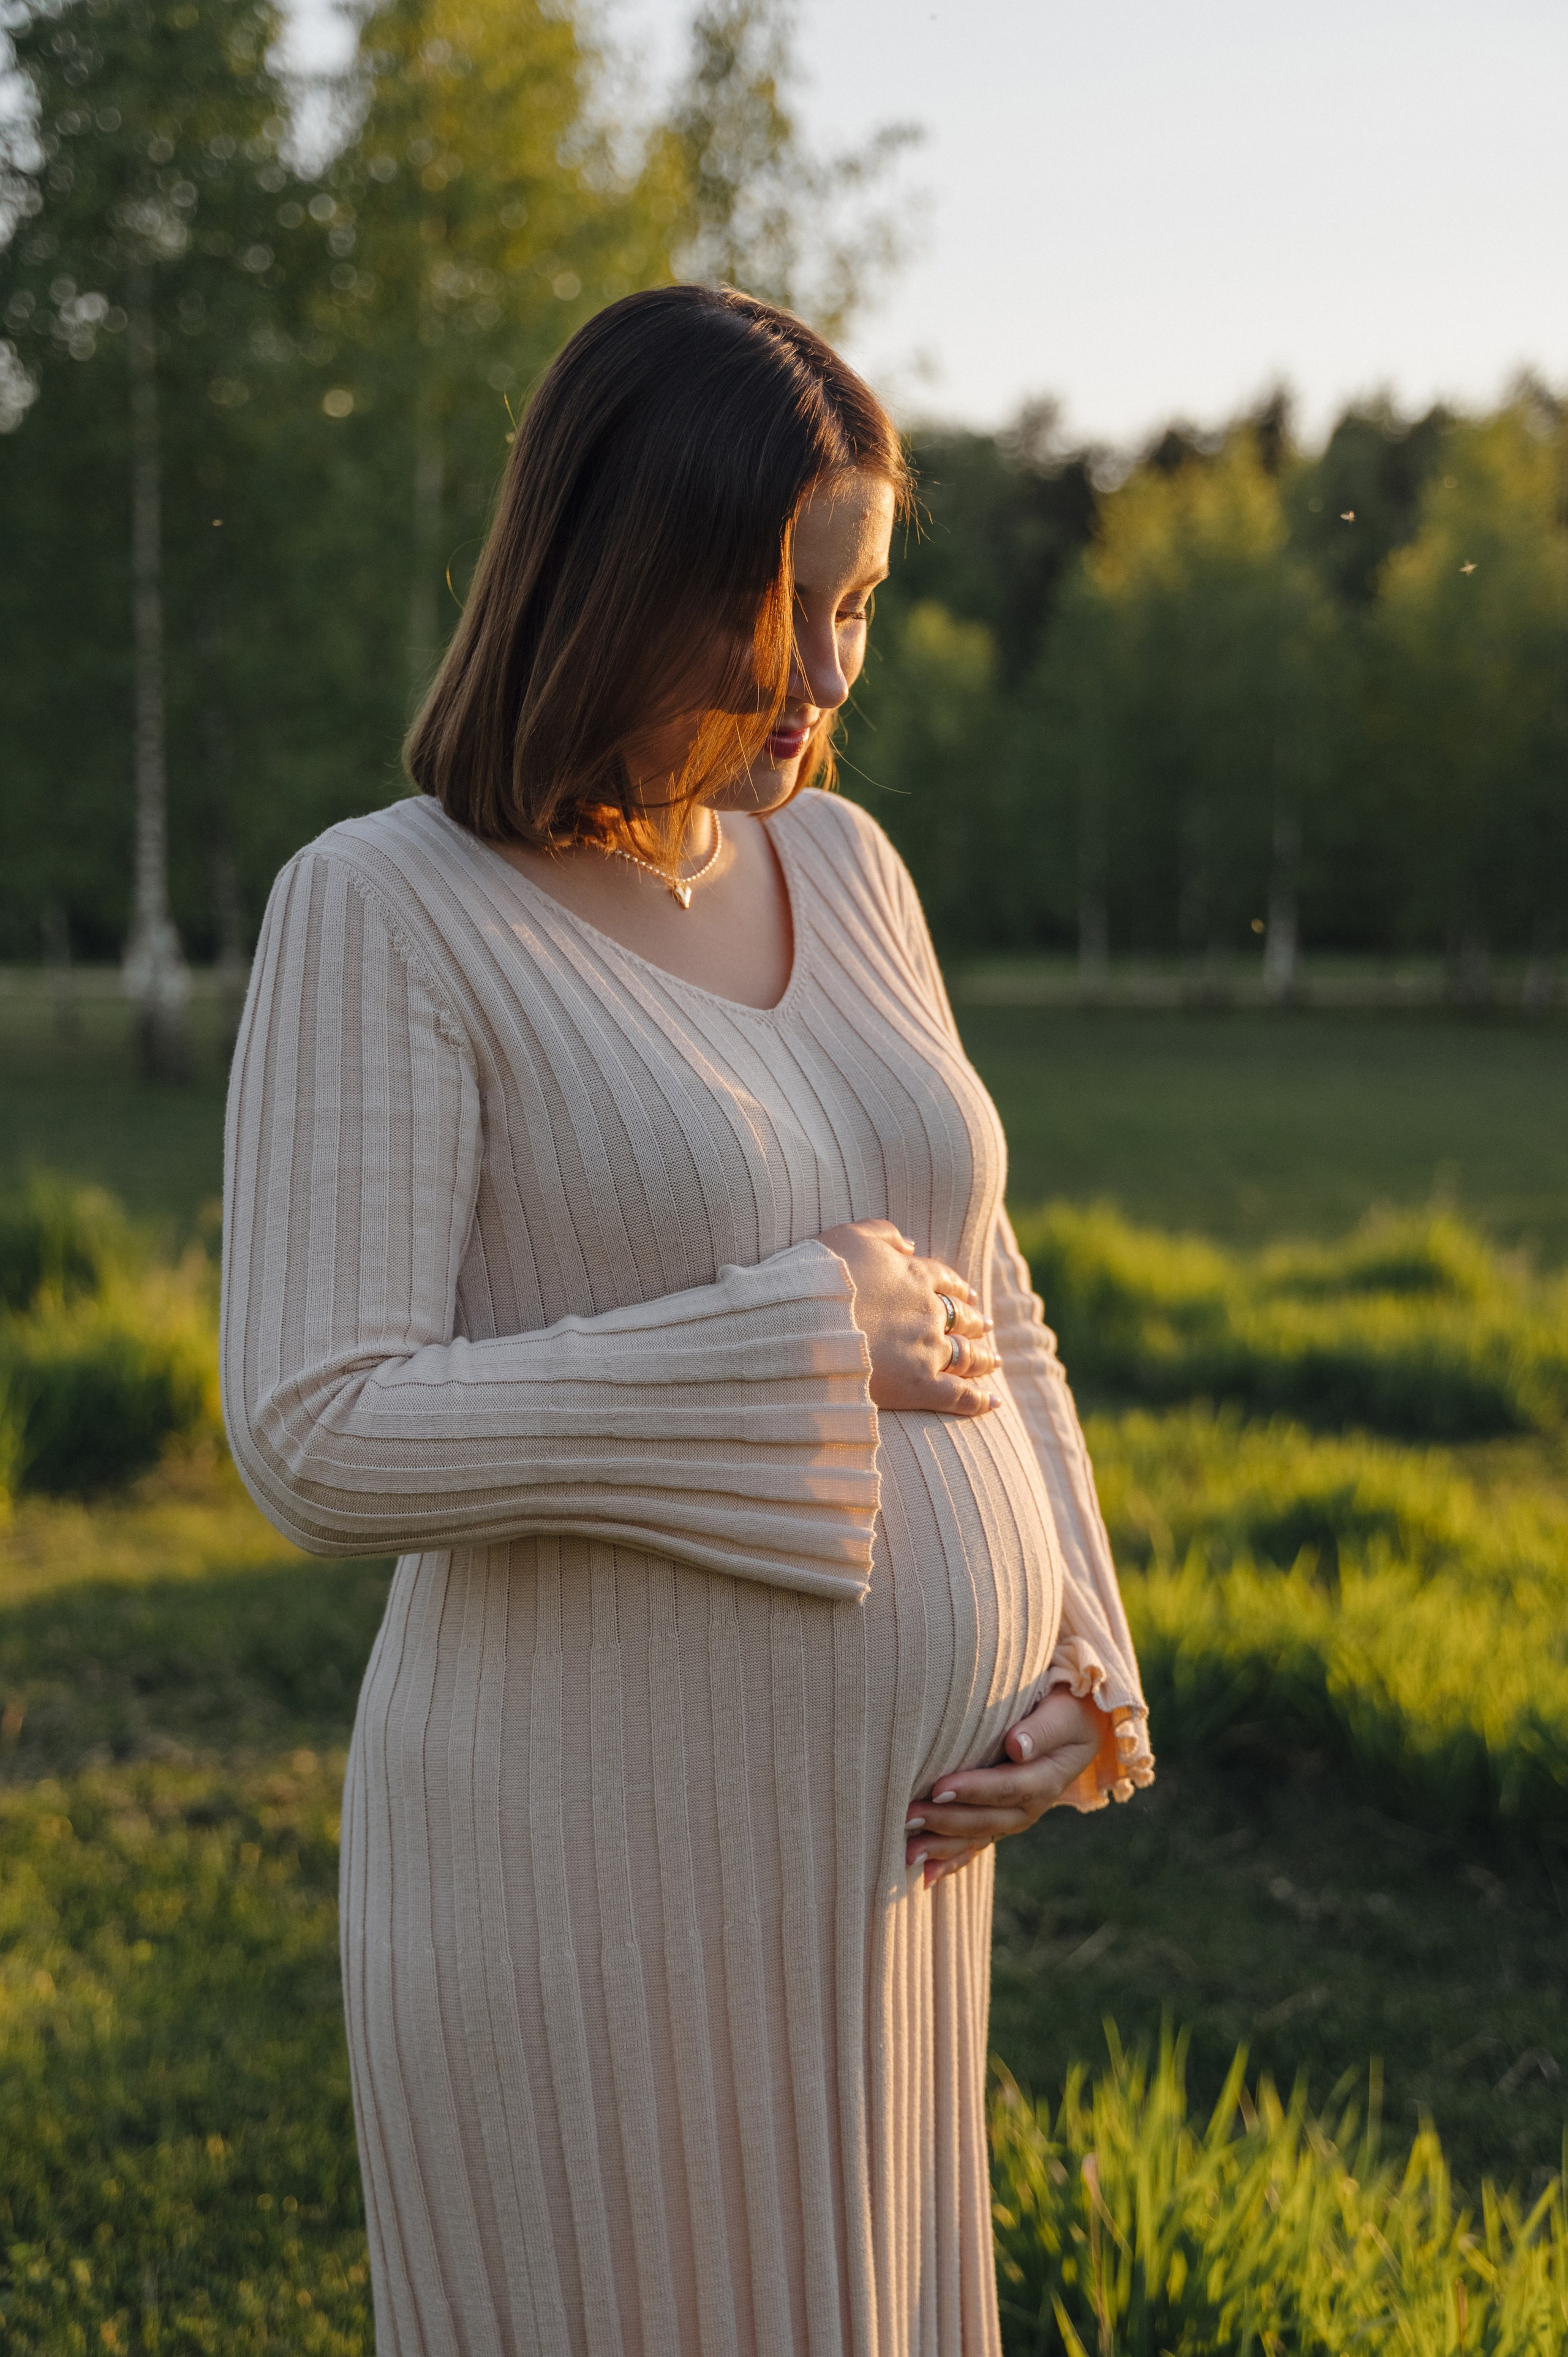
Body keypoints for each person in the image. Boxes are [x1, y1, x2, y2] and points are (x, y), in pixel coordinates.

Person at [222, 284, 1152, 2357]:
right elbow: (318, 1423)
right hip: (587, 1880)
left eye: (864, 607)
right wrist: (794, 1342)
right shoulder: (383, 910)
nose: (832, 675)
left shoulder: (852, 866)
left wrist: (1080, 1661)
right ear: (632, 574)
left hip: (888, 1893)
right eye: (786, 609)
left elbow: (987, 1289)